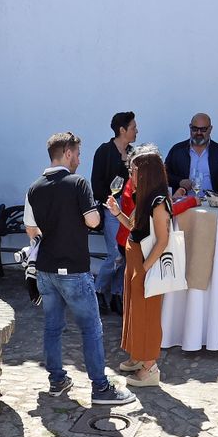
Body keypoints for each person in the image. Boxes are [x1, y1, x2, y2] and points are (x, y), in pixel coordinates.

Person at [25, 132, 139, 406]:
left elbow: (31, 230)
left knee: (52, 327)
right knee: (91, 328)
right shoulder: (78, 183)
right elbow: (91, 221)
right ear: (66, 153)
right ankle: (100, 388)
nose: (79, 158)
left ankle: (57, 380)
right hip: (74, 268)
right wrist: (96, 214)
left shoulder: (34, 187)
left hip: (45, 270)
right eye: (77, 153)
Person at [107, 150, 170, 388]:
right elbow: (133, 226)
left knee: (148, 316)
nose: (130, 174)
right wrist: (117, 213)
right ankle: (137, 356)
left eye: (133, 170)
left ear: (145, 172)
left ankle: (150, 367)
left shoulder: (158, 201)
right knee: (134, 311)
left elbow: (162, 240)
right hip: (135, 261)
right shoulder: (144, 196)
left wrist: (144, 268)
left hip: (146, 264)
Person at [90, 112, 137, 314]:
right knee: (115, 254)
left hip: (129, 207)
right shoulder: (104, 151)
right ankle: (98, 290)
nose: (137, 131)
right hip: (111, 206)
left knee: (126, 253)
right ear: (122, 130)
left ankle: (117, 294)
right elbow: (97, 182)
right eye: (133, 127)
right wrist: (107, 202)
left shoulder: (134, 153)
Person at [165, 112, 218, 195]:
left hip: (213, 205)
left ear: (210, 129)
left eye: (203, 129)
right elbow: (164, 175)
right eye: (195, 129)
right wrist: (179, 181)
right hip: (184, 204)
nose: (198, 133)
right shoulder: (177, 150)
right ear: (190, 127)